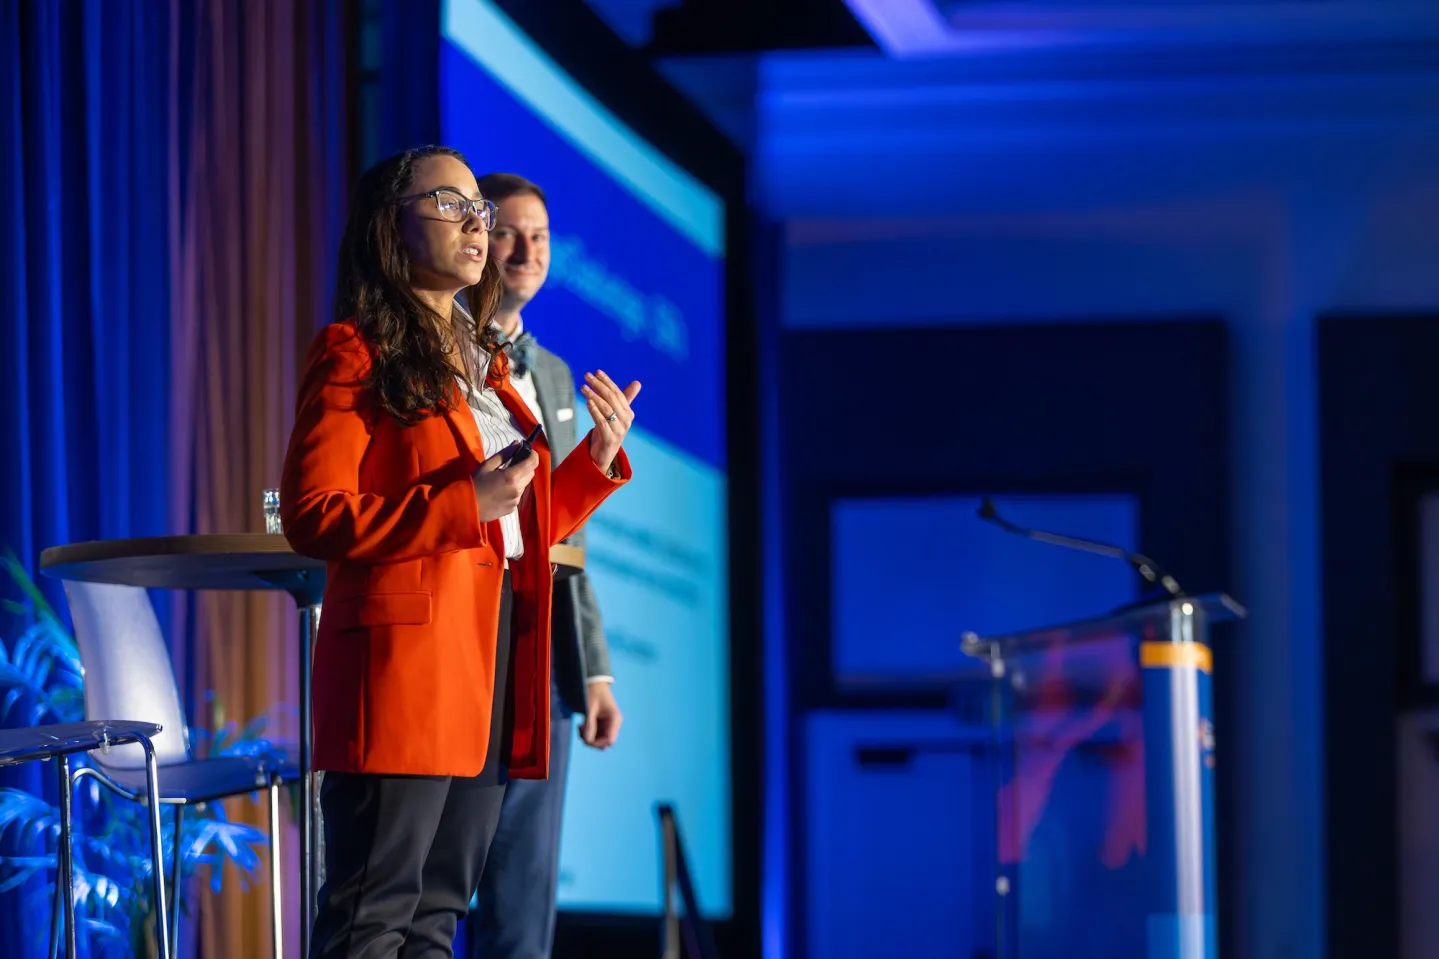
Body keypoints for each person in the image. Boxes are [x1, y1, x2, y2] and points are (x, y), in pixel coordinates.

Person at [280, 144, 640, 959]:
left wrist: (591, 461)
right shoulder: (353, 351)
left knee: (438, 918)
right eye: (451, 205)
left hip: (488, 669)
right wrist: (458, 503)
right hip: (404, 671)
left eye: (480, 208)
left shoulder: (490, 369)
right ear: (388, 228)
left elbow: (517, 528)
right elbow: (313, 514)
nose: (476, 225)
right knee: (372, 918)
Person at [462, 173, 622, 959]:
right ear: (474, 240)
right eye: (509, 233)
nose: (526, 251)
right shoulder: (437, 349)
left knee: (523, 904)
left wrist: (593, 672)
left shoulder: (554, 371)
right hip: (464, 634)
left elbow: (567, 533)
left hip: (543, 648)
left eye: (541, 238)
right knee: (438, 880)